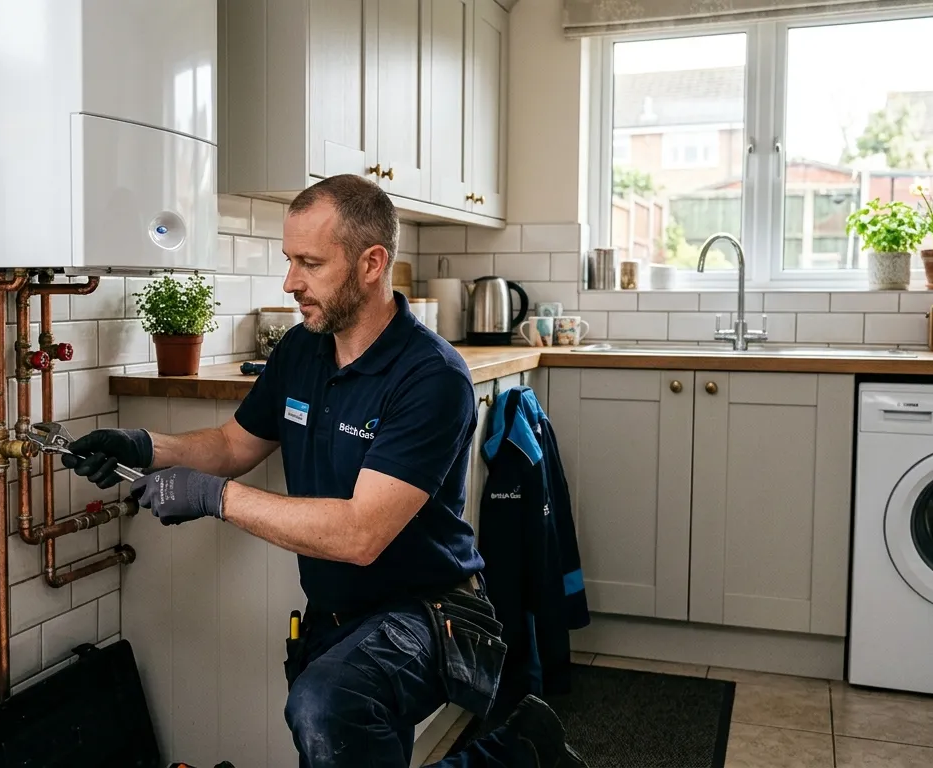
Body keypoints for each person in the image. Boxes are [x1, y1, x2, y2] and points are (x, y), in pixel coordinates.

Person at [64, 174, 588, 768]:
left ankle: (511, 760)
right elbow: (233, 445)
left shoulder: (431, 377)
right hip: (333, 615)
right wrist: (143, 445)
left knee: (325, 704)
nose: (291, 282)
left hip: (428, 612)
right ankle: (523, 755)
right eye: (290, 261)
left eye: (310, 264)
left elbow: (360, 534)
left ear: (371, 264)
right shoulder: (300, 350)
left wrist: (214, 497)